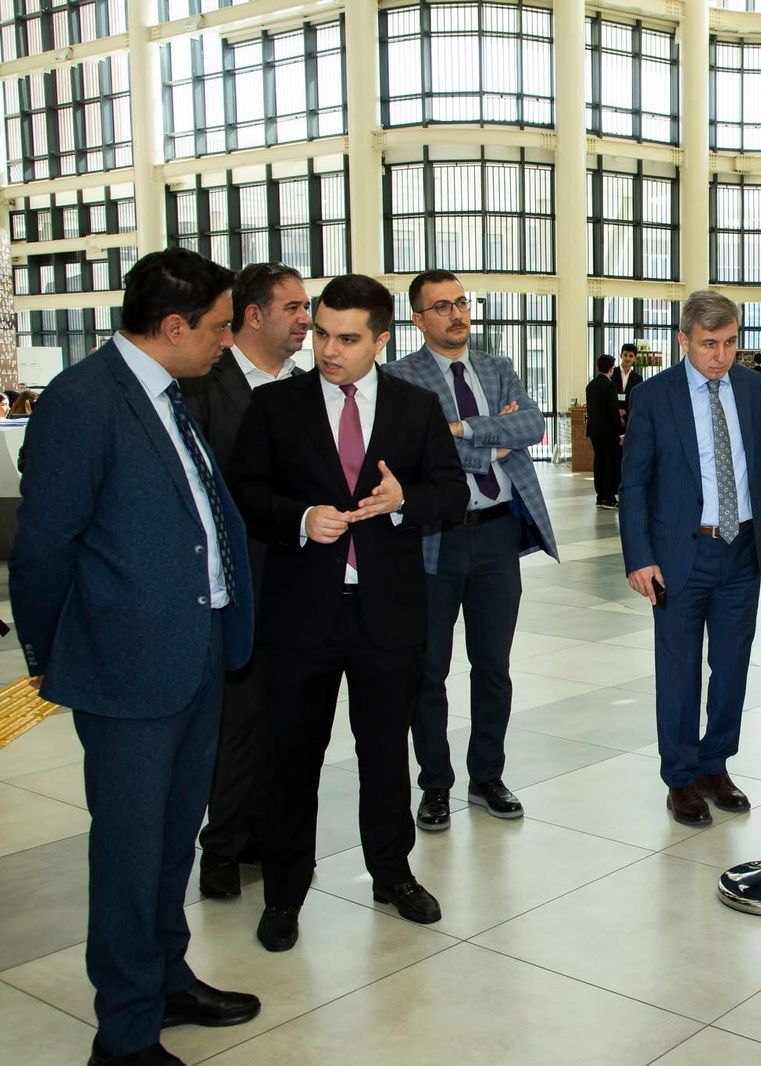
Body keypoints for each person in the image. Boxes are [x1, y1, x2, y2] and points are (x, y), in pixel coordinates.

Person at [10, 247, 260, 1066]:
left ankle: (165, 978)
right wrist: (50, 653)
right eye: (219, 327)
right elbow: (44, 548)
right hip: (126, 664)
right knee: (128, 848)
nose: (227, 340)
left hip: (196, 648)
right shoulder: (84, 401)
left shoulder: (170, 391)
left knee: (173, 835)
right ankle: (124, 1033)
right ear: (174, 326)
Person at [228, 273, 468, 952]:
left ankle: (392, 874)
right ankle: (283, 894)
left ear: (381, 340)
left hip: (387, 613)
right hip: (300, 616)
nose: (328, 350)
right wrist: (300, 517)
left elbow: (451, 493)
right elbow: (244, 491)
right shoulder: (277, 406)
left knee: (385, 753)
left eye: (348, 339)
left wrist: (403, 501)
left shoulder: (415, 408)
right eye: (321, 334)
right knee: (291, 758)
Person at [383, 269, 558, 832]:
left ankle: (487, 776)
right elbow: (417, 454)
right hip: (435, 539)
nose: (457, 314)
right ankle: (435, 784)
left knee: (493, 667)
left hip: (497, 535)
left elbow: (532, 425)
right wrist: (492, 443)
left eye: (461, 303)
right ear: (417, 319)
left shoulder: (497, 366)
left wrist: (459, 430)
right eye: (442, 307)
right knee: (429, 670)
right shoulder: (399, 377)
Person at [619, 290, 761, 827]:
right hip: (679, 556)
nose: (721, 356)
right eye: (709, 344)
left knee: (732, 667)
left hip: (740, 552)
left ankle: (715, 764)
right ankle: (680, 777)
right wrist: (639, 557)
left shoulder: (751, 387)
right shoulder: (654, 396)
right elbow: (634, 483)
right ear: (684, 340)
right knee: (678, 670)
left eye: (730, 343)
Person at [182, 262, 309, 901]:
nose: (306, 319)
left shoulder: (309, 388)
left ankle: (265, 833)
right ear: (253, 315)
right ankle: (223, 847)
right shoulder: (205, 387)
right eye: (293, 308)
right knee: (238, 720)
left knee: (288, 718)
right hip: (238, 580)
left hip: (301, 578)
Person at [586, 354, 623, 509]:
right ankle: (609, 498)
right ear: (611, 369)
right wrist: (620, 431)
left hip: (594, 431)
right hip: (609, 432)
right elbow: (612, 411)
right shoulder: (609, 386)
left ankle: (600, 496)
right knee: (611, 464)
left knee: (599, 462)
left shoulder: (591, 385)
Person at [615, 342, 643, 419]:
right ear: (621, 356)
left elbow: (637, 400)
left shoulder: (638, 378)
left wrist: (625, 411)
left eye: (631, 356)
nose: (627, 358)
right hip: (611, 416)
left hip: (629, 417)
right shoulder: (612, 374)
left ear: (635, 358)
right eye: (625, 355)